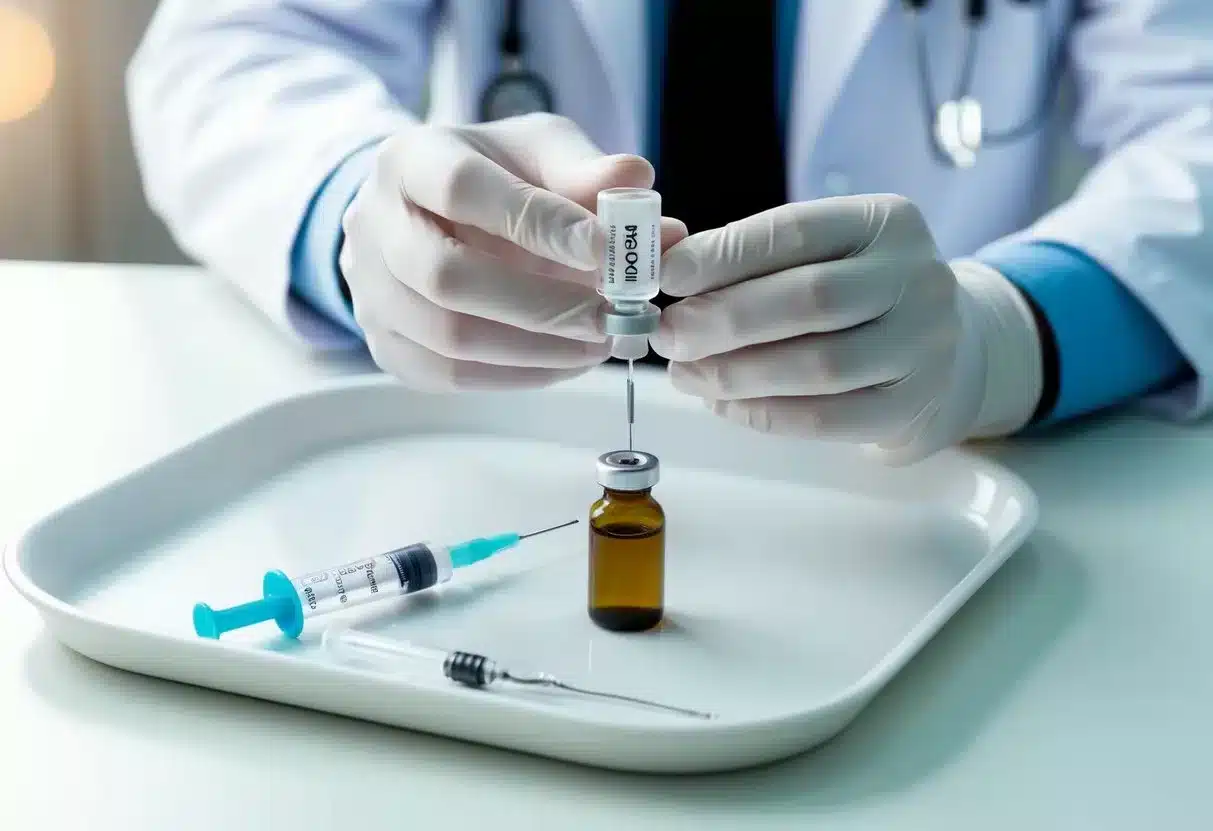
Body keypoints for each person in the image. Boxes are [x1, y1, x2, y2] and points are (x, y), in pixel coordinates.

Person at [126, 1, 1213, 466]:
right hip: (514, 434)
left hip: (945, 474)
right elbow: (235, 46)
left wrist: (1013, 329)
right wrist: (356, 217)